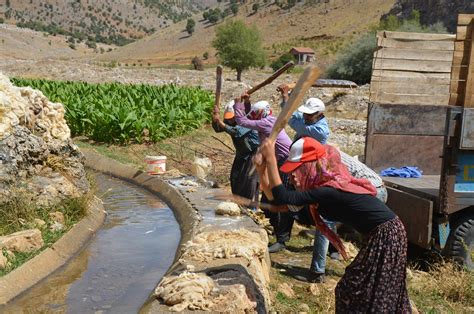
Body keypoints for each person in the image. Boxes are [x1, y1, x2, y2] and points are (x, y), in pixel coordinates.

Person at [256, 136, 411, 313]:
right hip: (381, 235)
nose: (292, 176)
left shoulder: (330, 190)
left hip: (388, 235)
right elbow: (278, 203)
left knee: (360, 287)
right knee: (357, 287)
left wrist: (270, 159)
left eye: (297, 170)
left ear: (311, 166)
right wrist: (261, 170)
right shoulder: (320, 193)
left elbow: (284, 197)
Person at [233, 94, 294, 253]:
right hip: (277, 160)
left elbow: (243, 122)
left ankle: (282, 239)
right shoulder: (267, 119)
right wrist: (247, 103)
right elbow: (249, 119)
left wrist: (237, 103)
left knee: (279, 199)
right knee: (267, 200)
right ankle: (275, 229)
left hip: (284, 162)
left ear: (261, 114)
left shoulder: (268, 123)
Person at [212, 101, 260, 202]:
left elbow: (236, 132)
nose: (230, 120)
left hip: (253, 153)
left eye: (232, 118)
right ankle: (237, 200)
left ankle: (250, 204)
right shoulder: (230, 121)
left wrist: (220, 122)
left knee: (249, 179)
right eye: (228, 119)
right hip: (241, 153)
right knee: (235, 176)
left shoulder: (247, 121)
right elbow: (218, 129)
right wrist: (215, 118)